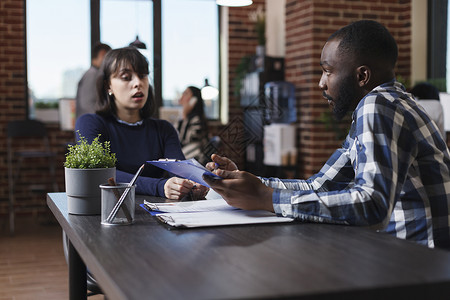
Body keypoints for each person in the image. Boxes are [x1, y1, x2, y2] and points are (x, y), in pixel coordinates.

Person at [204, 20, 450, 250]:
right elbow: (319, 186)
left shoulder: (378, 105)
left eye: (328, 71)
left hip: (424, 262)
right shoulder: (387, 104)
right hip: (411, 256)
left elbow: (372, 205)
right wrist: (250, 184)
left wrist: (266, 198)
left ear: (362, 76)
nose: (321, 83)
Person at [76, 47, 207, 200]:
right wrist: (160, 186)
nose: (138, 83)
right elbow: (102, 174)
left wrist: (194, 183)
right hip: (110, 214)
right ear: (108, 86)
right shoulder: (90, 124)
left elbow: (180, 173)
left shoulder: (164, 129)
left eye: (143, 75)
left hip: (158, 217)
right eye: (126, 77)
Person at [75, 42, 111, 119]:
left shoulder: (93, 73)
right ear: (102, 54)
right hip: (89, 125)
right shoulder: (92, 74)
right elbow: (87, 104)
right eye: (109, 58)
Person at [177, 86, 210, 165]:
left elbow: (184, 141)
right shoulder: (184, 118)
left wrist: (185, 115)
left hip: (195, 160)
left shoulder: (196, 119)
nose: (182, 95)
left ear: (194, 100)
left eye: (185, 93)